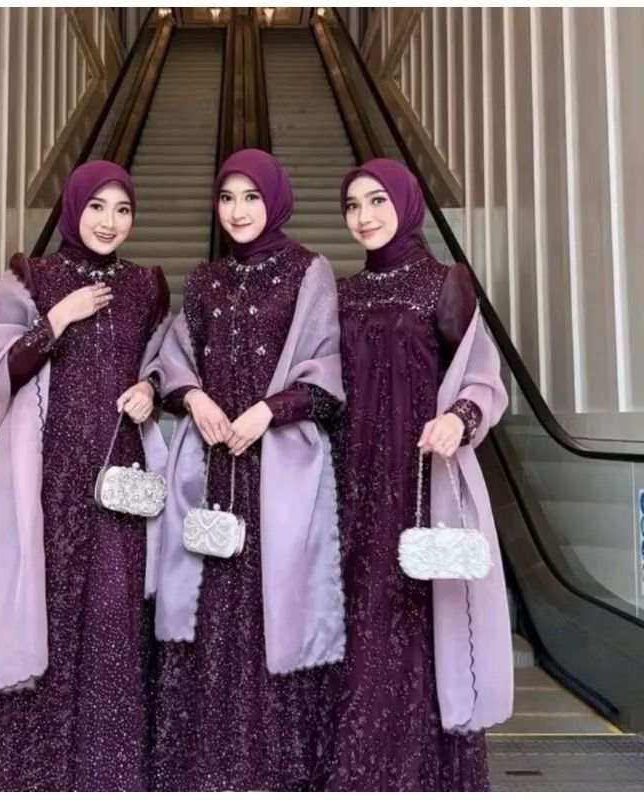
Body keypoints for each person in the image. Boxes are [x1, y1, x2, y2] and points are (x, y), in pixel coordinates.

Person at [0, 160, 170, 791]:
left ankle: (107, 771)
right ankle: (28, 771)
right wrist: (58, 318)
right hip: (44, 478)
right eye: (97, 207)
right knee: (40, 603)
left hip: (115, 476)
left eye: (122, 210)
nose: (109, 222)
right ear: (75, 208)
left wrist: (150, 389)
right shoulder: (33, 275)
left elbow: (164, 363)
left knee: (112, 612)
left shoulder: (147, 285)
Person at [148, 149, 345, 791]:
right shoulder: (204, 279)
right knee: (206, 606)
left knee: (273, 607)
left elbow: (328, 373)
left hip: (277, 468)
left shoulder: (309, 272)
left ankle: (273, 771)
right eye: (227, 197)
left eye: (251, 197)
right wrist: (194, 398)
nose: (237, 211)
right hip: (212, 465)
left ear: (275, 199)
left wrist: (268, 410)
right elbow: (173, 359)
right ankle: (202, 768)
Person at [324, 157, 513, 791]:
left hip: (418, 481)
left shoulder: (445, 283)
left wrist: (459, 417)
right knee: (358, 621)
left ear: (405, 203)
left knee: (416, 620)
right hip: (349, 484)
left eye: (377, 200)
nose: (364, 216)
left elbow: (483, 376)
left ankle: (419, 775)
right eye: (353, 205)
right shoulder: (341, 294)